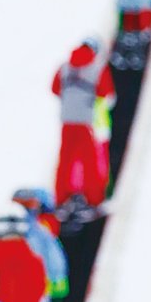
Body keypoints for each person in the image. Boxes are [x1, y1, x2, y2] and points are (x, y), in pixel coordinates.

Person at [52, 36, 115, 209]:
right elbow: (106, 94)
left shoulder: (64, 67)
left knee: (65, 160)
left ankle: (61, 198)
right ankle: (94, 199)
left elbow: (54, 88)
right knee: (90, 162)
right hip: (87, 122)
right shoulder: (98, 69)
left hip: (67, 120)